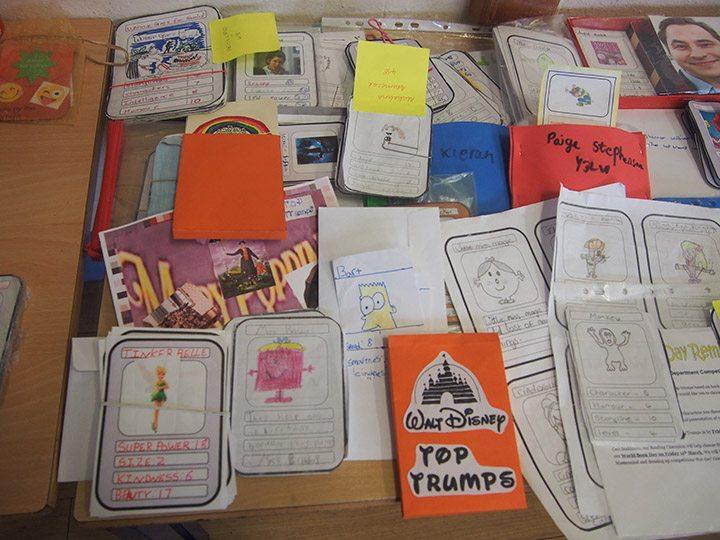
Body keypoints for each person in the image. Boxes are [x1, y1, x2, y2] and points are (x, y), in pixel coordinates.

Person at [658, 17, 720, 94]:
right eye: (681, 46)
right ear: (669, 54)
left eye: (705, 44)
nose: (698, 55)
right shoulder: (663, 90)